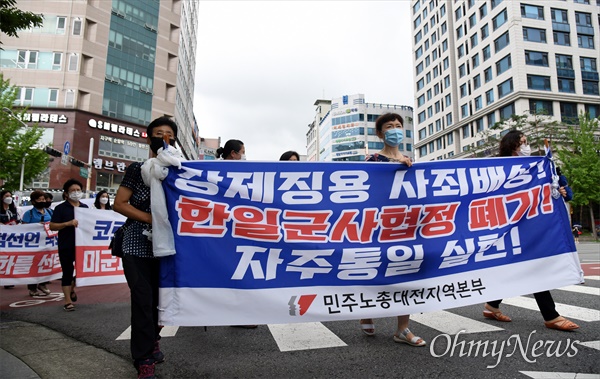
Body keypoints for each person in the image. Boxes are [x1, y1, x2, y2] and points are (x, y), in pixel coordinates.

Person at [483, 129, 579, 331]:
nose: (526, 146)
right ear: (511, 146)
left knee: (519, 266)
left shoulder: (540, 166)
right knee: (531, 266)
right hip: (509, 226)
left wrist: (560, 191)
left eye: (527, 141)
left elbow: (566, 191)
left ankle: (492, 305)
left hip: (532, 225)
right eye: (522, 142)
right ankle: (550, 316)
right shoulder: (497, 168)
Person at [113, 116, 177, 378]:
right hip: (136, 245)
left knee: (161, 302)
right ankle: (143, 357)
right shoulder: (136, 170)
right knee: (142, 301)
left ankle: (153, 339)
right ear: (148, 137)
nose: (163, 138)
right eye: (158, 133)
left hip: (168, 248)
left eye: (169, 135)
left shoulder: (179, 170)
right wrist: (154, 219)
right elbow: (120, 204)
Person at [359, 113, 425, 347]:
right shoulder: (372, 160)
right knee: (375, 270)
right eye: (390, 127)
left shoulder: (410, 162)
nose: (395, 130)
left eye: (399, 126)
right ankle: (367, 310)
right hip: (377, 228)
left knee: (404, 273)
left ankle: (403, 328)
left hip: (404, 227)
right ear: (380, 134)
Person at [49, 179, 88, 312]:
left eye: (78, 190)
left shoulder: (84, 208)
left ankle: (71, 289)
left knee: (82, 271)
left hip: (82, 245)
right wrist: (67, 224)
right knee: (67, 272)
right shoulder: (60, 208)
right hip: (66, 244)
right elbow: (52, 226)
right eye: (73, 190)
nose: (76, 193)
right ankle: (67, 300)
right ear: (66, 193)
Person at [22, 190, 53, 296]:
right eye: (39, 199)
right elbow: (23, 228)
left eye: (43, 199)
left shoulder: (50, 212)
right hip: (34, 244)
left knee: (45, 263)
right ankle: (32, 287)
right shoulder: (29, 214)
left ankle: (43, 283)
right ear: (34, 201)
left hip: (48, 243)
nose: (42, 201)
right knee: (33, 265)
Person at [1, 190, 20, 289]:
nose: (8, 197)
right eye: (6, 196)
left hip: (11, 237)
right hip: (2, 237)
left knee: (10, 257)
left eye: (10, 196)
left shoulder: (13, 210)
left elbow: (17, 220)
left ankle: (8, 280)